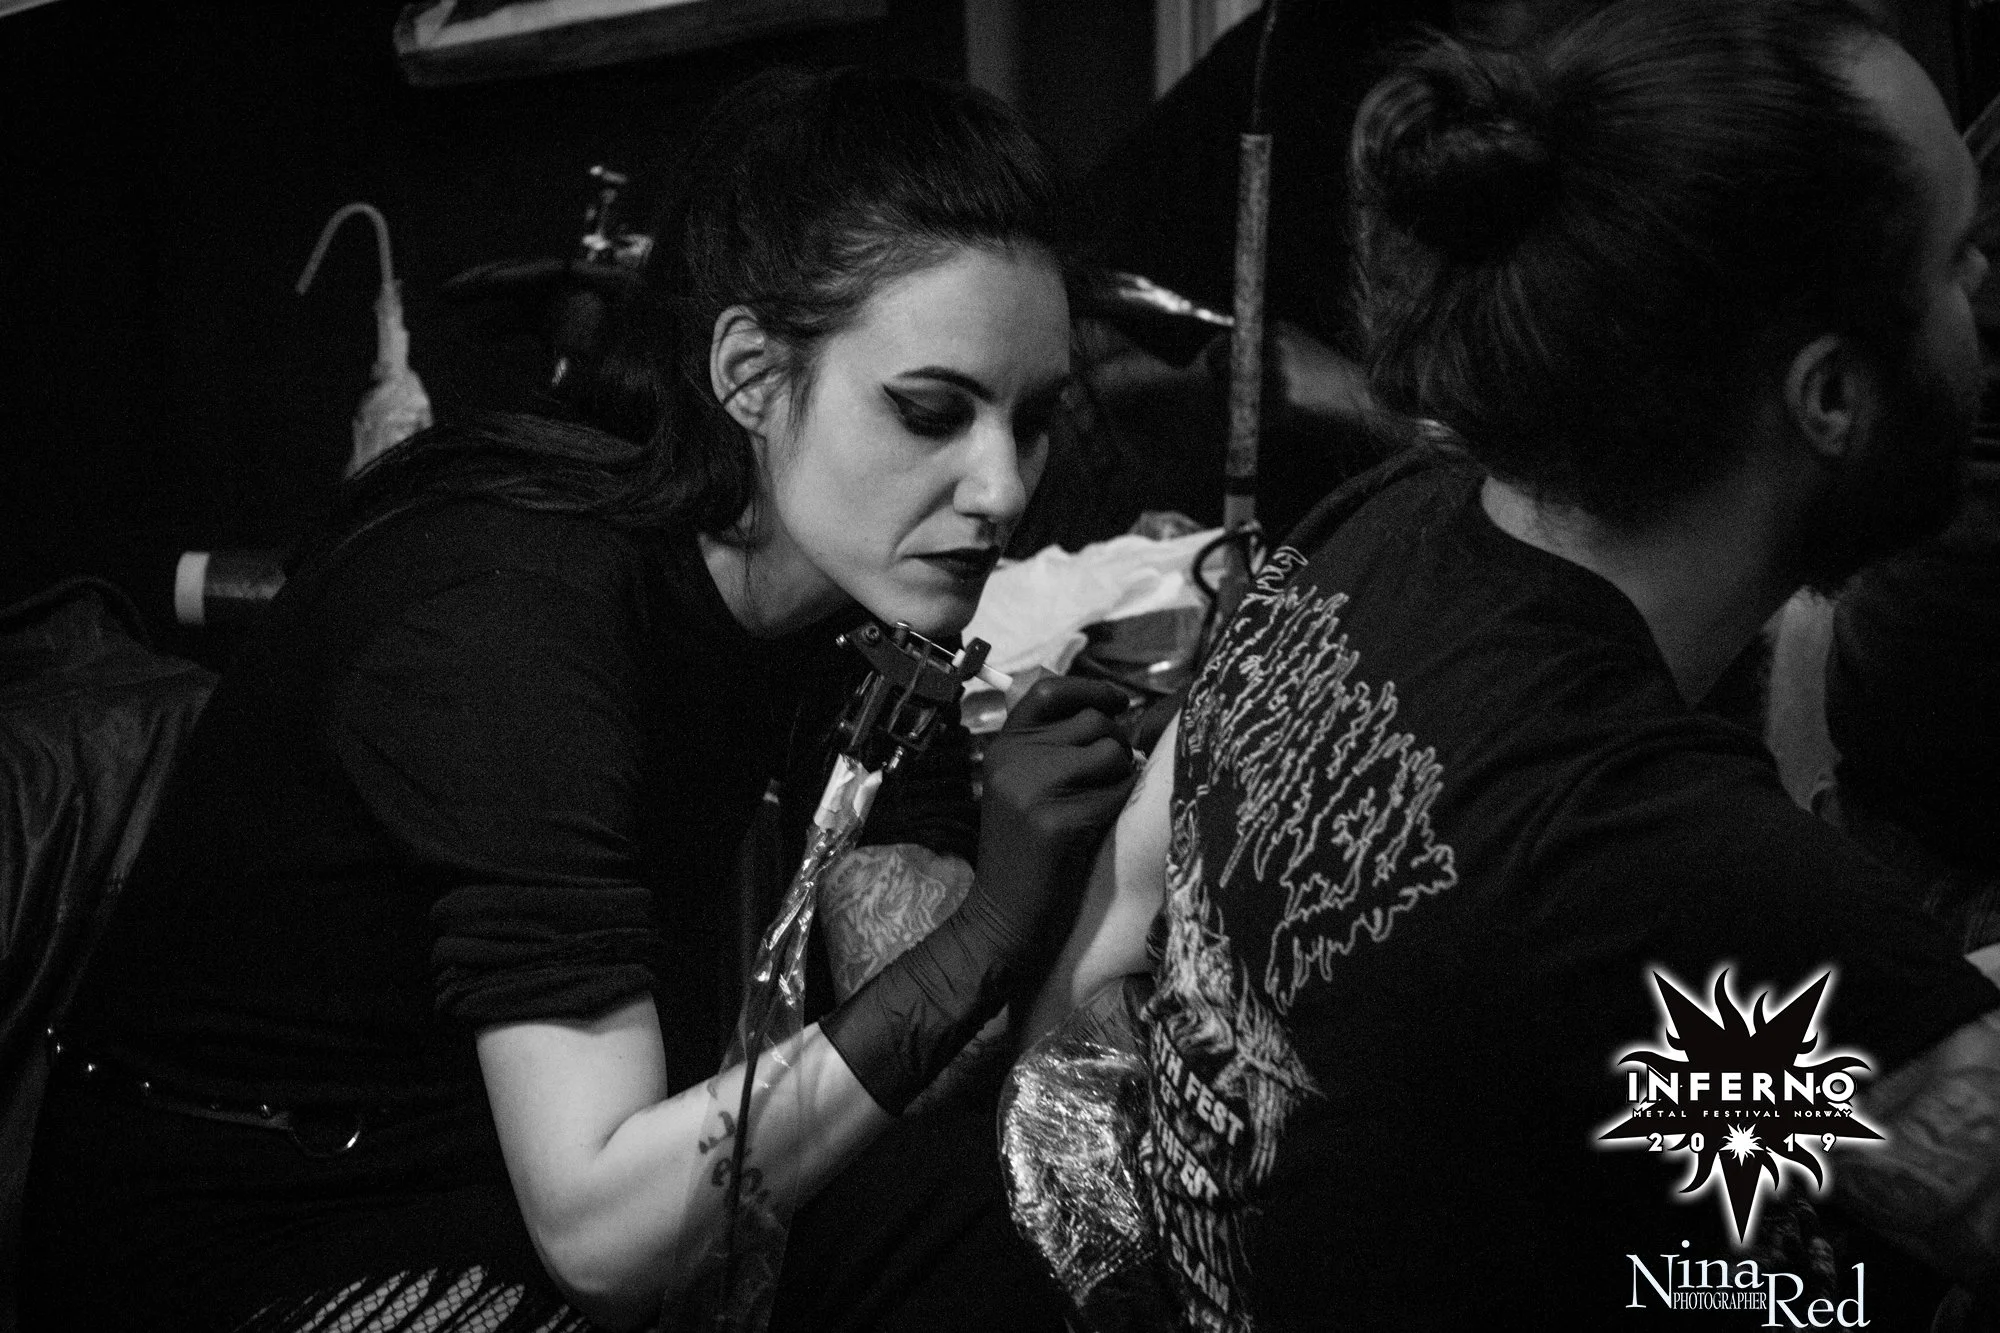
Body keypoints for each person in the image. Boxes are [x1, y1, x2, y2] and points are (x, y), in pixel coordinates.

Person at [21, 67, 1135, 1332]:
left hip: (495, 1198)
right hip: (253, 1251)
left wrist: (1081, 868)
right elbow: (605, 1229)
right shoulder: (513, 622)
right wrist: (987, 932)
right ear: (753, 373)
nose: (998, 487)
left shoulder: (852, 595)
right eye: (931, 412)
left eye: (1030, 420)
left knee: (1016, 1217)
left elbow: (898, 994)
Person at [1030, 1, 2000, 1326]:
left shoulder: (1385, 529)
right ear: (1830, 397)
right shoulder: (1686, 872)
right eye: (1962, 262)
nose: (1986, 305)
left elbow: (1109, 949)